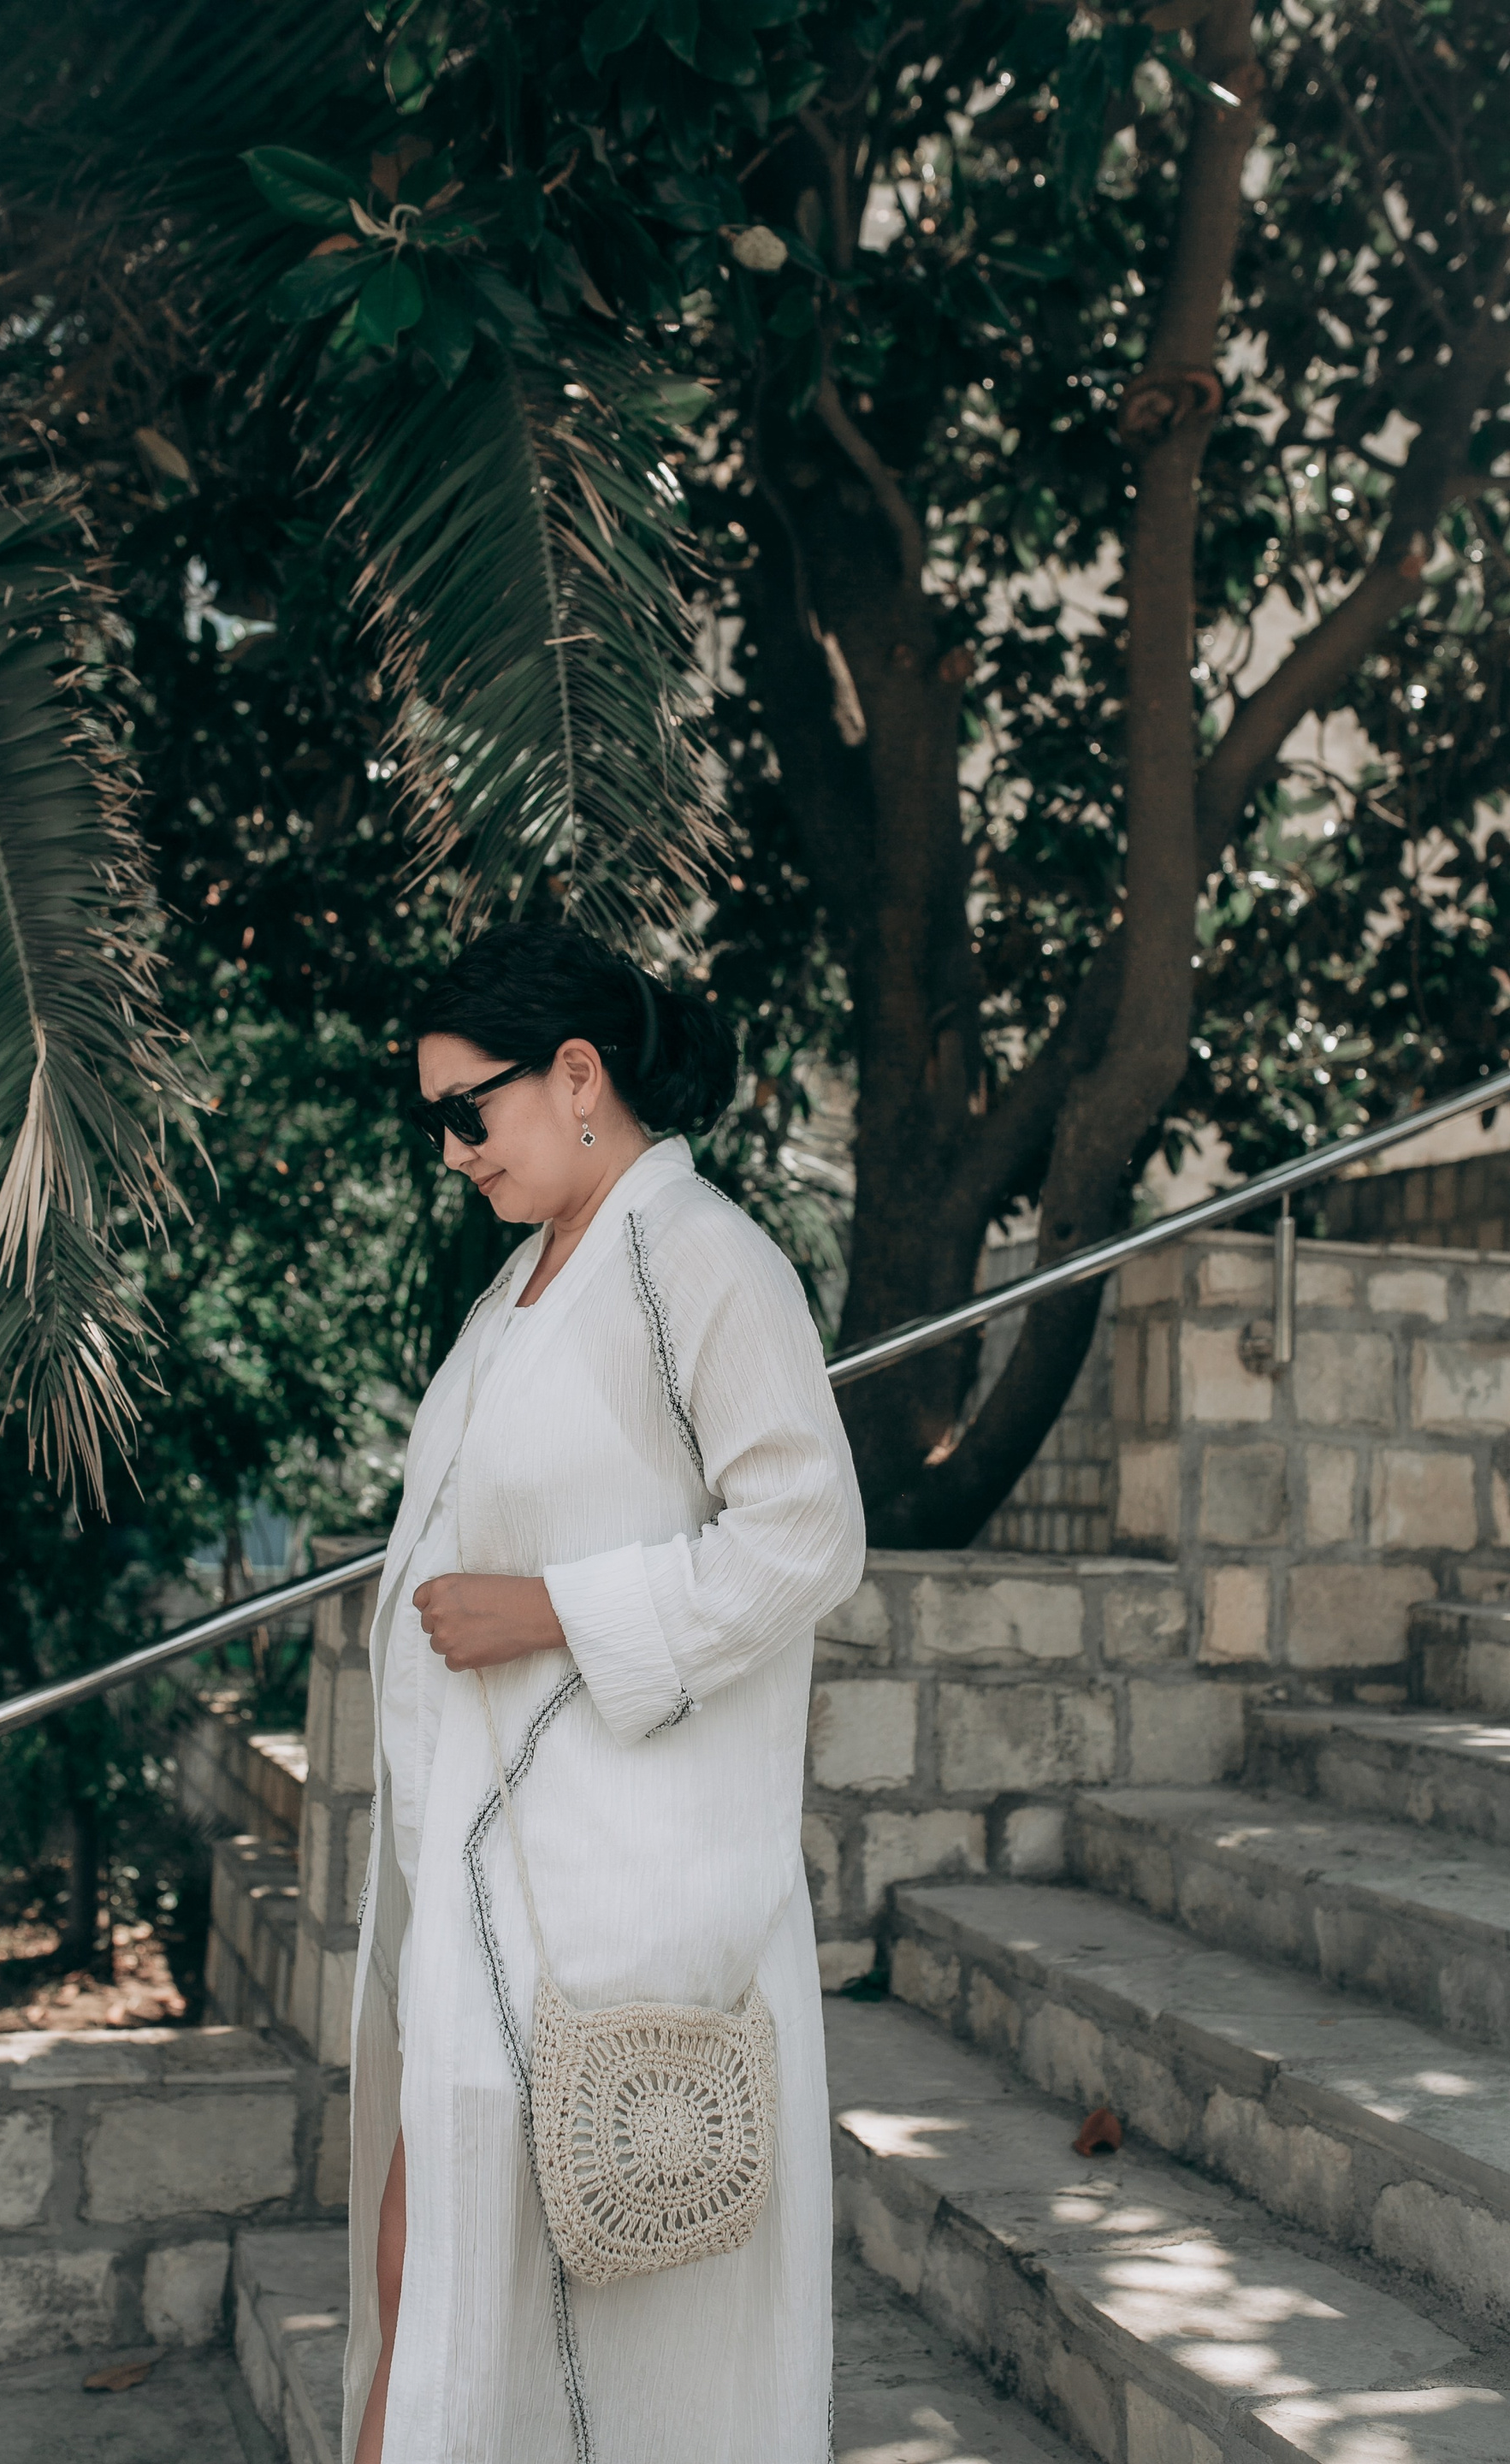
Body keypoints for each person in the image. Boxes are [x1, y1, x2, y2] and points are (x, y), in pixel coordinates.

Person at [344, 921, 866, 2464]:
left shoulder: (700, 1256)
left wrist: (551, 1612)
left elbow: (807, 1534)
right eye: (437, 1121)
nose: (453, 1152)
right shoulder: (529, 1279)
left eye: (469, 1111)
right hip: (492, 1871)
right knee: (426, 2275)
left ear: (579, 1076)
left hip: (612, 1887)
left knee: (499, 2291)